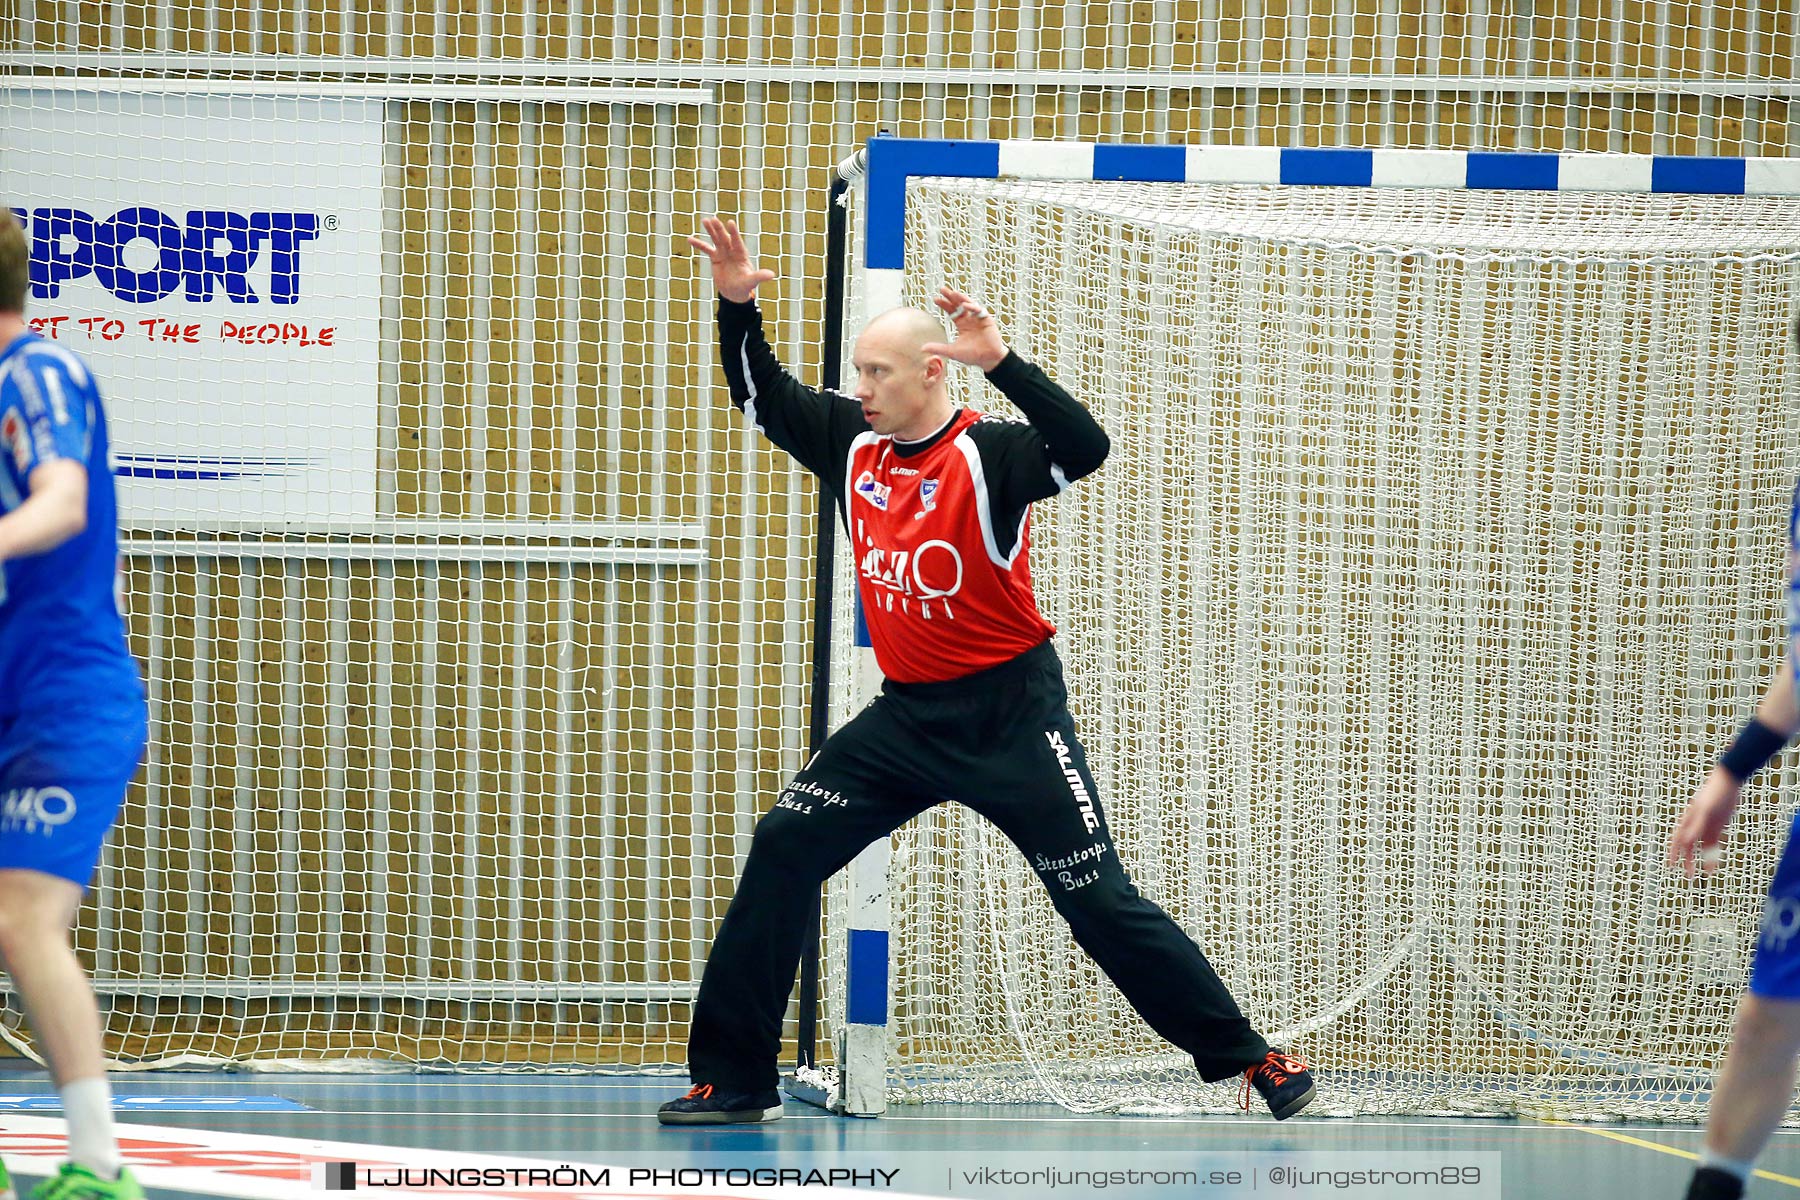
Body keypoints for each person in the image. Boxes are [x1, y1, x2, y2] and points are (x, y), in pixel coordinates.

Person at [659, 215, 1315, 1126]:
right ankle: (732, 1080)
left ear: (935, 371)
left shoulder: (991, 453)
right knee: (783, 847)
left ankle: (1252, 1058)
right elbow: (760, 397)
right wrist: (738, 306)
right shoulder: (853, 443)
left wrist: (1002, 360)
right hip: (905, 724)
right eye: (857, 373)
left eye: (878, 373)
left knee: (1098, 901)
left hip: (1013, 719)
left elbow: (1085, 447)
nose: (862, 389)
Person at [0, 208, 148, 1200]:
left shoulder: (37, 375)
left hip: (63, 701)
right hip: (21, 688)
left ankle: (99, 1165)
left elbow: (63, 504)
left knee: (21, 920)